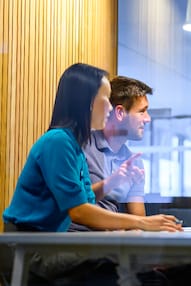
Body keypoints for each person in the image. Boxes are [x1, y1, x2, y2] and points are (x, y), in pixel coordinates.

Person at [2, 63, 181, 285]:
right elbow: (79, 212)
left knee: (149, 275)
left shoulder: (74, 145)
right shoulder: (58, 141)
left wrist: (113, 182)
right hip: (30, 251)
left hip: (47, 245)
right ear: (87, 103)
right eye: (106, 99)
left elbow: (85, 199)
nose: (110, 107)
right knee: (140, 277)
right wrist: (142, 223)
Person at [69, 75, 191, 286]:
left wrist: (154, 228)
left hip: (115, 245)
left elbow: (138, 218)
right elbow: (78, 208)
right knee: (154, 280)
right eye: (142, 111)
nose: (148, 118)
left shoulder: (133, 161)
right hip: (82, 245)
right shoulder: (80, 147)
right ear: (119, 113)